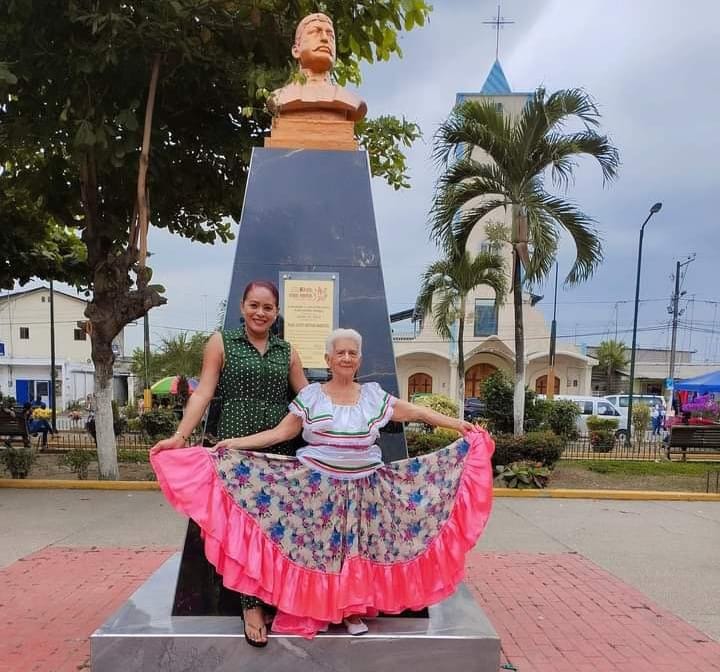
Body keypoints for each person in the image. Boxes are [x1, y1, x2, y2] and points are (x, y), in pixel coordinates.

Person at [151, 328, 494, 643]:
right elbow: (281, 433)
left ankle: (352, 610)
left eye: (352, 353)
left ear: (359, 360)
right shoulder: (312, 396)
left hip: (365, 489)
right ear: (328, 359)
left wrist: (458, 425)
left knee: (357, 549)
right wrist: (235, 444)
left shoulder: (373, 396)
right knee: (320, 552)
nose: (346, 358)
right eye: (339, 353)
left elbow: (416, 413)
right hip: (318, 490)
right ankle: (318, 609)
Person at [151, 280, 308, 647]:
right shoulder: (222, 343)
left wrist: (353, 414)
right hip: (235, 449)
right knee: (243, 530)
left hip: (279, 450)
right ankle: (250, 606)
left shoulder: (287, 351)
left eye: (268, 307)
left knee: (276, 530)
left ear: (277, 312)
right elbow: (204, 392)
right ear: (242, 306)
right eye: (254, 305)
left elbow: (309, 398)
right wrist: (180, 436)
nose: (260, 313)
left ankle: (278, 600)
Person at [267, 13, 367, 121]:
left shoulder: (350, 100)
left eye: (331, 36)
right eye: (315, 32)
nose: (325, 39)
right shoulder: (280, 97)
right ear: (296, 51)